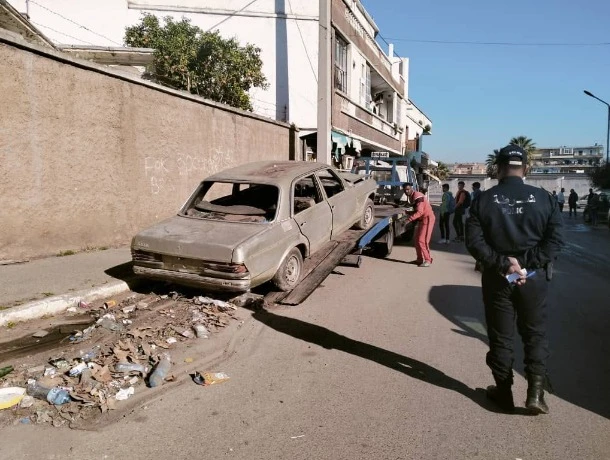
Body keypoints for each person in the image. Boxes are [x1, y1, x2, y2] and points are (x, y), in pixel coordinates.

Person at [465, 144, 563, 415]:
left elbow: (473, 240)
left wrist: (503, 265)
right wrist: (526, 266)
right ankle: (535, 394)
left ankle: (504, 393)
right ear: (526, 169)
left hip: (498, 279)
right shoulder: (545, 198)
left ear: (498, 168)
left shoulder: (484, 200)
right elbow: (554, 242)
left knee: (500, 336)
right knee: (535, 335)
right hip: (533, 279)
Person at [403, 182, 435, 267]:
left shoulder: (417, 196)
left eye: (408, 189)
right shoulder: (412, 196)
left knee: (423, 241)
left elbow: (420, 212)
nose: (406, 191)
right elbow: (417, 210)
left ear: (411, 189)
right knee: (417, 240)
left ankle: (428, 260)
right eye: (405, 190)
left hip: (427, 219)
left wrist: (409, 219)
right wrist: (408, 212)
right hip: (422, 219)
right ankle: (419, 259)